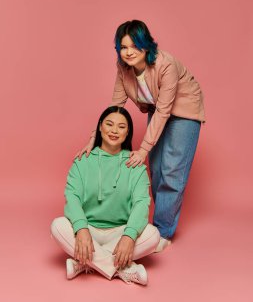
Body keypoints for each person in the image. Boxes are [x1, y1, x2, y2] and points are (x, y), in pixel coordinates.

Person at [76, 20, 205, 252]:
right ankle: (159, 222)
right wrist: (93, 139)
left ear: (146, 46)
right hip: (158, 110)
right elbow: (115, 105)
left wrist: (143, 148)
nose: (128, 52)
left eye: (134, 46)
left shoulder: (166, 64)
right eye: (123, 47)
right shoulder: (123, 68)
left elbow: (166, 110)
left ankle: (163, 231)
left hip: (184, 110)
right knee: (155, 169)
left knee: (173, 171)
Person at [51, 106, 160, 285]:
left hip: (120, 231)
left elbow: (141, 203)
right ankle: (123, 268)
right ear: (100, 127)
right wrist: (81, 229)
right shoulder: (82, 161)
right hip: (88, 230)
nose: (114, 131)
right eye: (109, 124)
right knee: (57, 225)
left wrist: (129, 236)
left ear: (127, 133)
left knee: (153, 235)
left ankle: (83, 263)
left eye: (121, 127)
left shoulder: (136, 165)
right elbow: (72, 197)